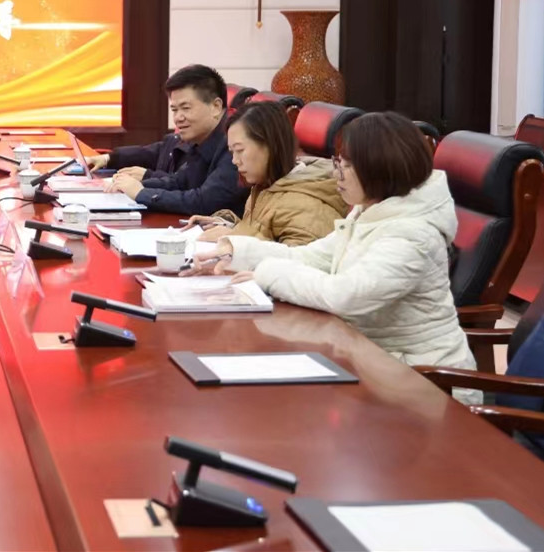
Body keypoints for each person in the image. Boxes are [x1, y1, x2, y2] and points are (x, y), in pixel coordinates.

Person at [189, 111, 476, 377]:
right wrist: (237, 250)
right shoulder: (370, 211)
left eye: (347, 166)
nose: (336, 173)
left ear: (380, 169)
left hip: (423, 380)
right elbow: (311, 256)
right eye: (339, 162)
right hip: (371, 359)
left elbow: (346, 295)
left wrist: (267, 274)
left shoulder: (413, 234)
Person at [89, 64, 247, 216]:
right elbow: (179, 182)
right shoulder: (199, 138)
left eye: (186, 108)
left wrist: (141, 193)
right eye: (174, 110)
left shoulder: (235, 144)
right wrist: (129, 185)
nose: (178, 118)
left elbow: (204, 202)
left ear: (216, 107)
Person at [186, 101, 347, 246]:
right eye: (232, 152)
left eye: (240, 150)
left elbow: (297, 262)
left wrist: (235, 237)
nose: (234, 161)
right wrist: (227, 225)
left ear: (270, 146)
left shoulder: (306, 205)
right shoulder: (268, 184)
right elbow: (264, 233)